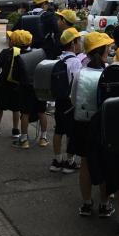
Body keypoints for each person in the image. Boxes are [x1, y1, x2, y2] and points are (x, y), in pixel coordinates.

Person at [69, 31, 114, 217]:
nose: (110, 49)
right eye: (108, 47)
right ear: (103, 50)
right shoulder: (109, 72)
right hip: (104, 125)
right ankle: (105, 204)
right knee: (105, 164)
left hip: (83, 124)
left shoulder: (80, 73)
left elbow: (73, 99)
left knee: (85, 163)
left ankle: (87, 204)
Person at [50, 28, 83, 174]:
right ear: (73, 43)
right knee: (71, 132)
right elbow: (77, 82)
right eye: (78, 40)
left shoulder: (59, 59)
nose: (80, 43)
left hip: (59, 100)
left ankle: (57, 160)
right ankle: (70, 162)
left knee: (59, 130)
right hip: (70, 102)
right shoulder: (75, 62)